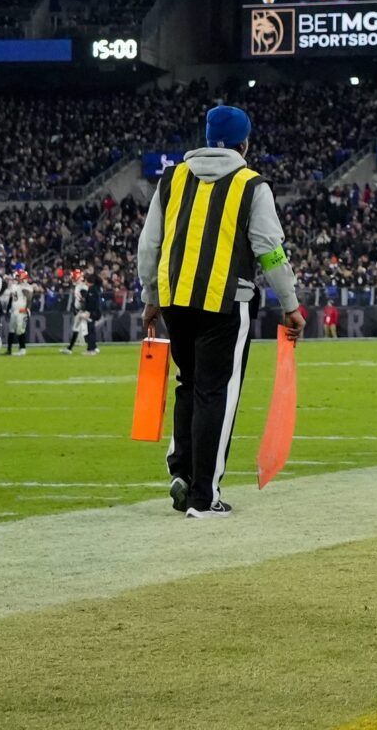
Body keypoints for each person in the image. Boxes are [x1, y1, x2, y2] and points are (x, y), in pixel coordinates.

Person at [137, 104, 305, 518]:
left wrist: (150, 295)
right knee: (217, 395)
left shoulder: (173, 178)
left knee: (188, 385)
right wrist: (291, 304)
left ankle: (182, 471)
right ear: (245, 142)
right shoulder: (251, 184)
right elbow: (270, 250)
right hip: (226, 301)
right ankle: (202, 495)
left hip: (176, 300)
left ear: (208, 137)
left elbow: (148, 244)